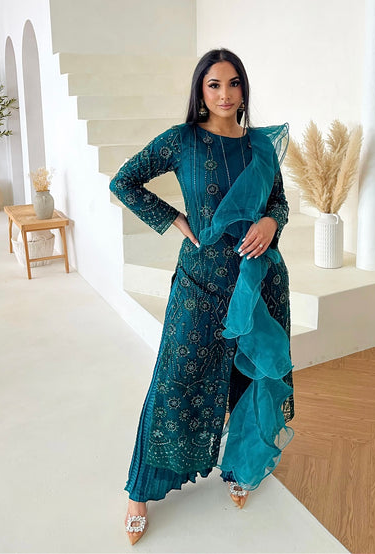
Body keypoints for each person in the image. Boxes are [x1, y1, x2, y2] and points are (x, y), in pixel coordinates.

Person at [110, 48, 294, 545]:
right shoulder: (183, 140)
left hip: (257, 285)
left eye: (234, 84)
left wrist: (270, 221)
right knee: (173, 381)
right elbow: (124, 182)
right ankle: (139, 490)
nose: (225, 94)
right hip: (200, 284)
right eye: (214, 85)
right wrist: (174, 219)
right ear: (200, 90)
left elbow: (278, 201)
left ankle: (240, 468)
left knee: (247, 380)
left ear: (244, 90)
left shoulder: (260, 145)